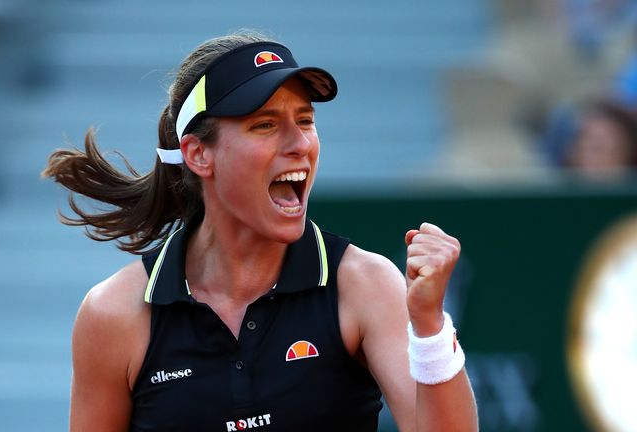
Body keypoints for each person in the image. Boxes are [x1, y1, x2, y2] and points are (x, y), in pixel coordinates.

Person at [44, 31, 478, 432]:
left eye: (305, 120)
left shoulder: (365, 284)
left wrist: (429, 326)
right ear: (198, 154)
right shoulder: (114, 314)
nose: (299, 143)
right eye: (265, 125)